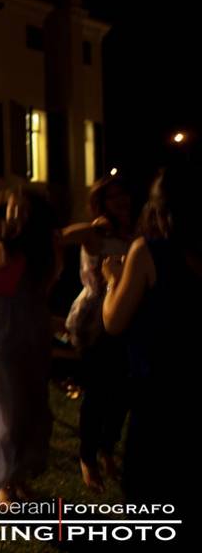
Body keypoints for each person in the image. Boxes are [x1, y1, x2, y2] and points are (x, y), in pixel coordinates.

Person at [102, 166, 200, 520]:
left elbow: (113, 321)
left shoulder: (148, 251)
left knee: (148, 495)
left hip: (158, 392)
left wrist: (113, 279)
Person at [0, 188, 58, 505]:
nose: (15, 215)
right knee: (7, 406)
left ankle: (17, 477)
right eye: (12, 209)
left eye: (22, 210)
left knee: (32, 405)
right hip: (0, 327)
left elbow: (50, 278)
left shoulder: (41, 248)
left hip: (33, 324)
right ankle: (2, 483)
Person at [61, 175, 134, 492]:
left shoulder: (136, 233)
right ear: (101, 204)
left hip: (128, 314)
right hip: (95, 320)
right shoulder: (97, 231)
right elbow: (63, 235)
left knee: (124, 392)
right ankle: (87, 457)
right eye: (111, 198)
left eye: (122, 196)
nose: (119, 202)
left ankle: (107, 448)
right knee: (99, 391)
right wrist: (94, 225)